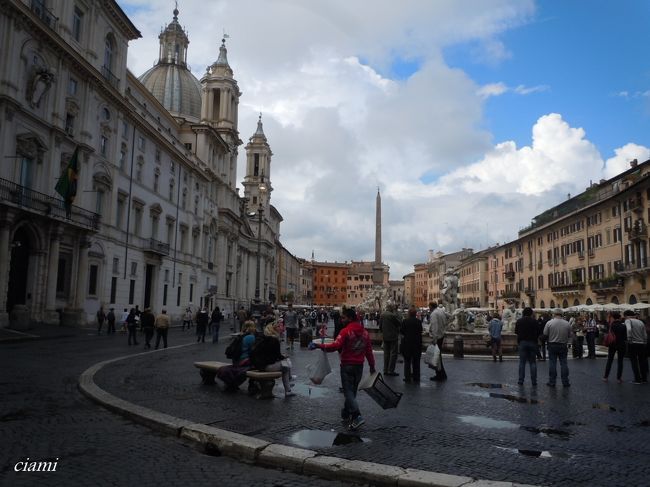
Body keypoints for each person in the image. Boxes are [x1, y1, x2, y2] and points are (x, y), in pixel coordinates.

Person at [308, 307, 376, 430]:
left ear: (350, 318)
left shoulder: (346, 331)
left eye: (343, 317)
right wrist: (372, 366)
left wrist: (318, 345)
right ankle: (346, 412)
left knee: (348, 392)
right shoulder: (365, 333)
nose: (341, 319)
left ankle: (357, 416)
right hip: (359, 366)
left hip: (347, 366)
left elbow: (335, 346)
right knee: (352, 391)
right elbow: (369, 351)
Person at [250, 322, 295, 397]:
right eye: (278, 327)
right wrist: (284, 357)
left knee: (285, 363)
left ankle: (289, 382)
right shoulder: (274, 340)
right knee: (286, 366)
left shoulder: (264, 338)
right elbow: (277, 356)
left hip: (260, 364)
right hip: (266, 366)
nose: (280, 328)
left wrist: (282, 357)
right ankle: (288, 388)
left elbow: (269, 354)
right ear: (273, 330)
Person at [543, 309, 572, 387]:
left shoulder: (549, 323)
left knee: (552, 363)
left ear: (554, 314)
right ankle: (565, 382)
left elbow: (545, 334)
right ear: (562, 315)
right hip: (563, 345)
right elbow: (570, 335)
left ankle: (552, 381)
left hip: (552, 345)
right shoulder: (567, 324)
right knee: (564, 363)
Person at [515, 307, 538, 386]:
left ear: (523, 313)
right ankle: (534, 381)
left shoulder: (519, 321)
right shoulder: (534, 321)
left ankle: (521, 380)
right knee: (532, 363)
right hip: (532, 342)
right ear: (531, 313)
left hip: (522, 342)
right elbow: (537, 332)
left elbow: (516, 332)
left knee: (522, 363)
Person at [623, 310, 647, 384]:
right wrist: (645, 342)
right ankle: (644, 379)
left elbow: (629, 329)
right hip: (641, 344)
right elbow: (645, 334)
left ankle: (637, 379)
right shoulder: (640, 322)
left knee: (634, 362)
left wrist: (629, 339)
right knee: (642, 361)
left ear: (626, 315)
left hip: (633, 343)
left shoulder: (628, 321)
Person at [602, 311, 627, 383]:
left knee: (609, 360)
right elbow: (625, 337)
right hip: (621, 345)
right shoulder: (623, 326)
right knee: (620, 361)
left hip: (612, 344)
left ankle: (605, 377)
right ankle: (619, 378)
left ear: (613, 318)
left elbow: (607, 332)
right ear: (619, 318)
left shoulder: (611, 326)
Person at [400, 307, 422, 383]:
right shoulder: (418, 322)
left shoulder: (405, 321)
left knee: (407, 361)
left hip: (407, 344)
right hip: (416, 344)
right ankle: (416, 377)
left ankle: (407, 377)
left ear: (409, 314)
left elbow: (402, 332)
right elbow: (421, 330)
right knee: (416, 361)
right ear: (415, 314)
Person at [428, 302, 448, 382]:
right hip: (441, 335)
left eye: (429, 307)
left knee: (436, 357)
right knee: (438, 356)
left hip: (437, 337)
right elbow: (446, 321)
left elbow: (434, 326)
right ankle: (442, 374)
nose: (429, 309)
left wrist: (434, 339)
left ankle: (439, 375)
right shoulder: (441, 312)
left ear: (432, 307)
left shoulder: (433, 314)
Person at [379, 305, 401, 376]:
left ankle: (385, 370)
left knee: (386, 354)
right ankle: (391, 370)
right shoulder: (392, 315)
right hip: (393, 337)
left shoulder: (382, 315)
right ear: (391, 309)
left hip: (385, 337)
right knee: (393, 354)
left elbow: (380, 326)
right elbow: (398, 323)